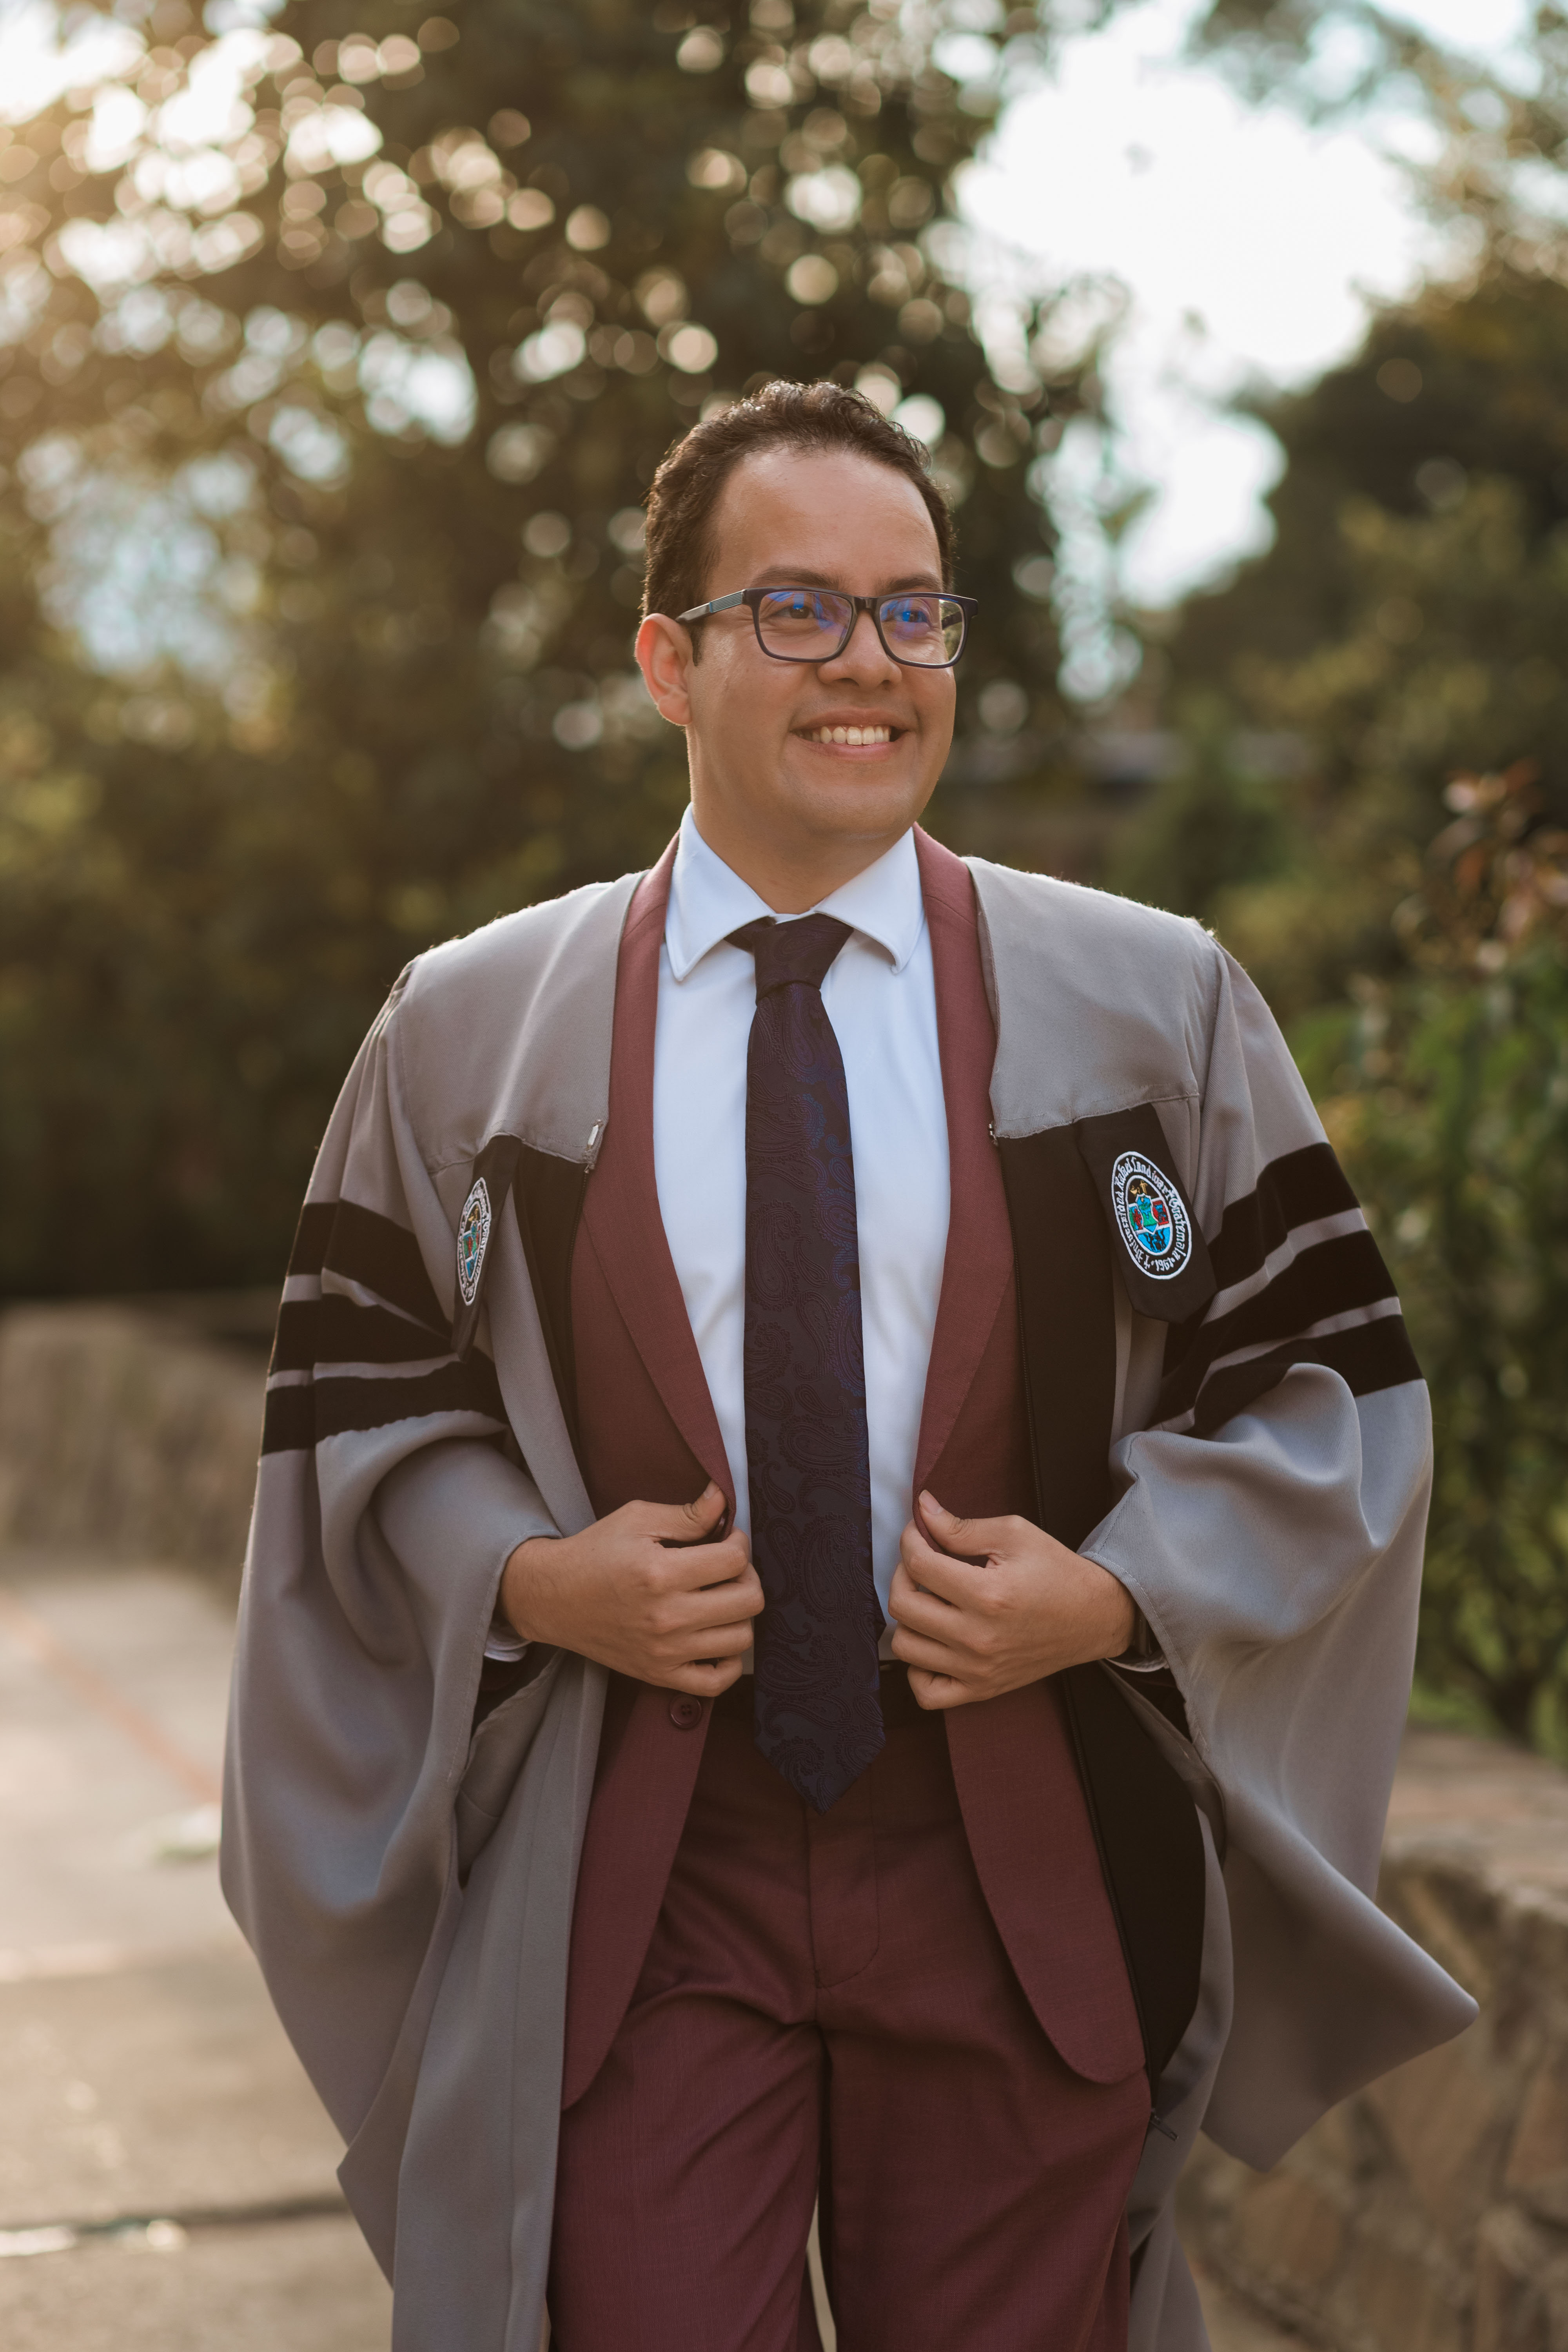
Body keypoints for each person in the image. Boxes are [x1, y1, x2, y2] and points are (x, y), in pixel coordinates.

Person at [223, 379, 1475, 2352]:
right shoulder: (474, 1032)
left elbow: (1329, 1390)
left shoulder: (1147, 1006)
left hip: (1019, 1865)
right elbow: (366, 1412)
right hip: (651, 1873)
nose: (871, 663)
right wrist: (533, 1577)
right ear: (668, 661)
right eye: (798, 610)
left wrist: (1117, 1588)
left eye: (913, 611)